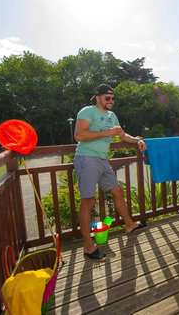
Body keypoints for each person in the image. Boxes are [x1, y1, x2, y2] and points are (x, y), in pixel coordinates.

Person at [74, 84, 147, 260]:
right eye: (108, 98)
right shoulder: (87, 111)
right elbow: (79, 136)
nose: (111, 101)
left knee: (117, 191)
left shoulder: (112, 115)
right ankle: (88, 246)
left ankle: (129, 224)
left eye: (113, 98)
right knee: (88, 201)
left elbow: (122, 135)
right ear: (98, 97)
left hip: (102, 159)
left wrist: (136, 140)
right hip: (86, 158)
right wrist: (107, 132)